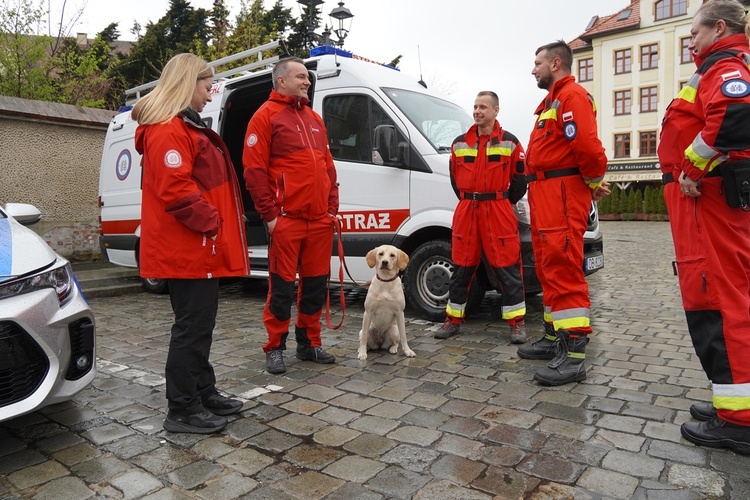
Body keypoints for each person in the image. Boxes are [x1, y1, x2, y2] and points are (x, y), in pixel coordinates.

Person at [132, 53, 250, 434]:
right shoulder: (169, 128)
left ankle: (203, 392)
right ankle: (182, 408)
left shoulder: (180, 125)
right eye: (206, 84)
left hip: (195, 246)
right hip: (188, 247)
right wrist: (213, 224)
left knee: (199, 325)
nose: (210, 91)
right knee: (192, 328)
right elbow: (176, 190)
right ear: (187, 83)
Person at [658, 0, 750, 455]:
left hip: (711, 201)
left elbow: (733, 118)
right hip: (705, 203)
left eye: (693, 32)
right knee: (713, 299)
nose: (689, 41)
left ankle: (740, 421)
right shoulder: (715, 66)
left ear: (718, 27)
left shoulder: (725, 66)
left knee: (721, 302)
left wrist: (691, 167)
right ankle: (730, 401)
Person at [518, 40, 610, 386]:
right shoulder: (552, 101)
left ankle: (572, 356)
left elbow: (588, 147)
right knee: (547, 266)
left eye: (537, 62)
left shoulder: (572, 97)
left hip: (559, 193)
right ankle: (554, 337)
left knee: (564, 265)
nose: (533, 69)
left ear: (556, 64)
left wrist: (592, 182)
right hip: (545, 192)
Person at [243, 56, 339, 375]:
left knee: (314, 286)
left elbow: (328, 167)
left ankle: (309, 343)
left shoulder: (315, 119)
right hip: (287, 220)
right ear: (281, 80)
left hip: (319, 222)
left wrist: (331, 210)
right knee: (281, 287)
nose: (307, 81)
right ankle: (275, 346)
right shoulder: (265, 117)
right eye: (300, 77)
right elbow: (254, 172)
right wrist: (271, 217)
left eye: (308, 78)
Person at [434, 91, 528, 344]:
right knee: (461, 270)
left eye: (483, 107)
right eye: (475, 106)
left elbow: (520, 181)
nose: (477, 111)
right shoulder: (459, 144)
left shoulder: (510, 142)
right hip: (467, 209)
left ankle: (516, 324)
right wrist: (471, 198)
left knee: (507, 269)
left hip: (498, 209)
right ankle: (452, 320)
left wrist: (499, 201)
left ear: (496, 111)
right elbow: (455, 180)